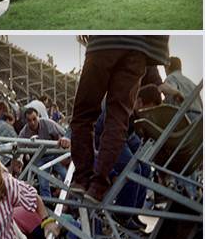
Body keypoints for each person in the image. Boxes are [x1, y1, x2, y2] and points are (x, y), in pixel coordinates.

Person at [70, 36, 170, 202]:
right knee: (117, 119)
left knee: (84, 114)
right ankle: (97, 186)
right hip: (139, 46)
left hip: (105, 42)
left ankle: (82, 179)